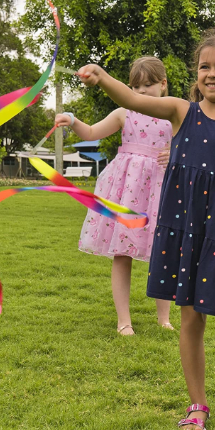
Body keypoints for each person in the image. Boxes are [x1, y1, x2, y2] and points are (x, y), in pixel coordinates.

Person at [76, 32, 215, 430]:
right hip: (182, 233)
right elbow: (133, 100)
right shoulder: (180, 112)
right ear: (196, 75)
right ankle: (198, 405)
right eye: (205, 67)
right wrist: (103, 78)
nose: (212, 74)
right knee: (191, 319)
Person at [55, 57, 174, 336]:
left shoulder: (174, 113)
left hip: (161, 190)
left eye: (148, 85)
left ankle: (164, 318)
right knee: (122, 253)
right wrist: (72, 120)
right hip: (128, 191)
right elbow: (93, 132)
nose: (141, 92)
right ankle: (124, 321)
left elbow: (190, 146)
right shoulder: (125, 113)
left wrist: (177, 153)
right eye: (135, 87)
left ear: (163, 84)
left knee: (164, 252)